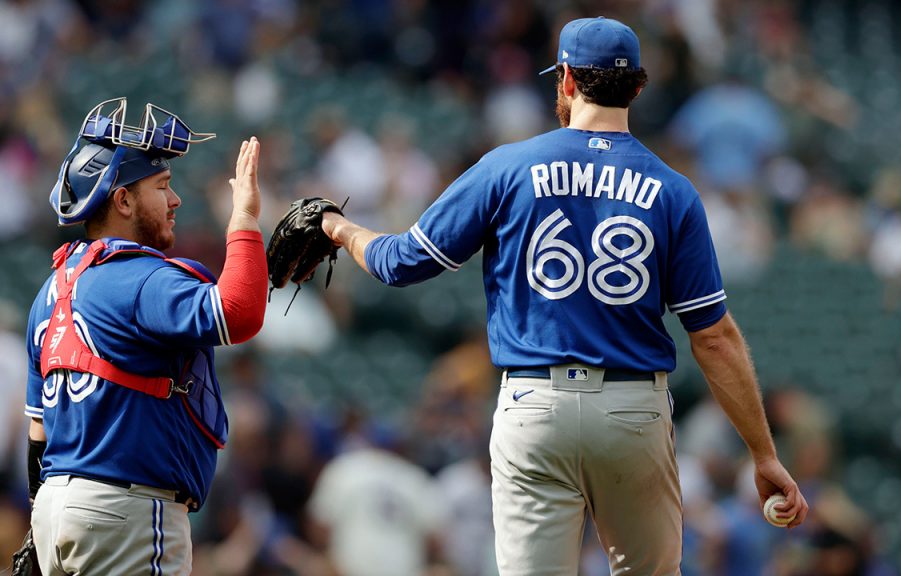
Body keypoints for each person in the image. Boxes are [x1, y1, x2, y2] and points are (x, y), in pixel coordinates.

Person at [319, 17, 809, 576]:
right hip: (633, 410)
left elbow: (401, 263)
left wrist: (339, 228)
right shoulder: (674, 191)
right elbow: (715, 337)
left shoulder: (508, 166)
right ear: (639, 89)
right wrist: (764, 454)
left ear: (567, 79)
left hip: (535, 406)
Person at [23, 97, 267, 575]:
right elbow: (237, 314)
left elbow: (38, 435)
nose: (175, 200)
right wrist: (245, 219)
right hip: (125, 513)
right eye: (163, 186)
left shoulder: (51, 291)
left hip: (55, 512)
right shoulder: (141, 279)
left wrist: (46, 519)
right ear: (124, 199)